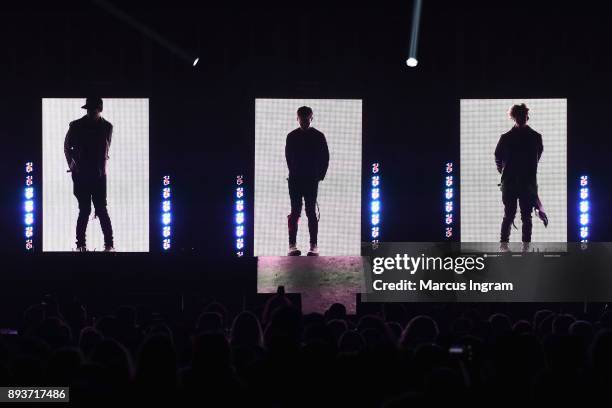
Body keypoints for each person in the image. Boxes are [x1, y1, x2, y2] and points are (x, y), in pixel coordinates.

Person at [494, 103, 547, 252]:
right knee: (521, 216)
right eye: (520, 115)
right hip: (523, 183)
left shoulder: (506, 138)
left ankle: (507, 246)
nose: (521, 118)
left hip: (514, 183)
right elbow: (537, 157)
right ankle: (522, 247)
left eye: (521, 115)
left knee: (513, 215)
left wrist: (504, 172)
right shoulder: (535, 137)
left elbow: (498, 157)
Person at [64, 97, 114, 252]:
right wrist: (72, 164)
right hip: (81, 174)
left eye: (93, 109)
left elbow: (106, 149)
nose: (90, 112)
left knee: (101, 209)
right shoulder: (76, 125)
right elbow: (67, 147)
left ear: (100, 109)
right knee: (85, 210)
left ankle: (109, 245)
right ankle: (80, 245)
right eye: (89, 109)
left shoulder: (107, 127)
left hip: (99, 175)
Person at [285, 106, 329, 256]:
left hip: (305, 179)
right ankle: (298, 246)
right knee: (299, 211)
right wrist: (318, 175)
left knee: (305, 211)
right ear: (298, 118)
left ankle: (309, 246)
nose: (304, 122)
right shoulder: (314, 136)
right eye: (302, 119)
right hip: (302, 179)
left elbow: (325, 158)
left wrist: (318, 176)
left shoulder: (295, 136)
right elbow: (289, 158)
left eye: (306, 119)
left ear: (311, 118)